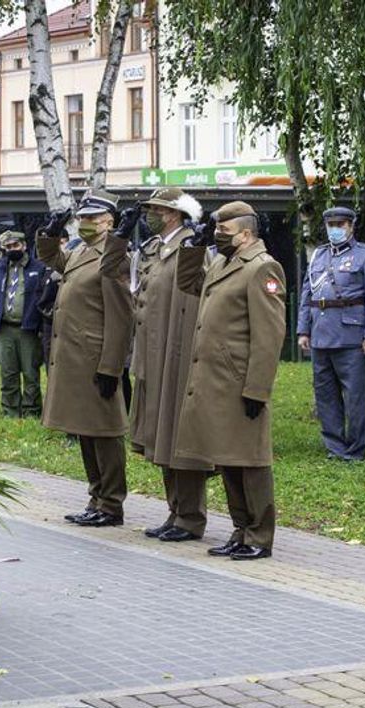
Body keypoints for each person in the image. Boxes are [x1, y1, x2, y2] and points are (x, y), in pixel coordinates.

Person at [175, 202, 286, 561]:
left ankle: (259, 534)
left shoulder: (262, 268)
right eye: (216, 230)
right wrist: (193, 246)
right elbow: (188, 282)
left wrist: (257, 388)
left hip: (240, 381)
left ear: (246, 233)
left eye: (224, 231)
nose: (218, 236)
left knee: (251, 462)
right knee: (228, 459)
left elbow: (269, 336)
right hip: (217, 381)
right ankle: (241, 530)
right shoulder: (222, 263)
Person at [37, 191, 134, 527]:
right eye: (82, 218)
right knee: (85, 430)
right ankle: (96, 497)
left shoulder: (114, 256)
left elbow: (121, 316)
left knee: (105, 432)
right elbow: (54, 259)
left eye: (91, 219)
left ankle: (111, 504)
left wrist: (112, 367)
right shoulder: (82, 251)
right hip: (75, 357)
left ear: (108, 222)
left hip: (96, 357)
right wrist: (50, 234)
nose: (85, 224)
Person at [129, 188, 212, 542]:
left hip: (177, 353)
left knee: (179, 435)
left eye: (156, 210)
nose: (151, 215)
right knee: (159, 434)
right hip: (153, 352)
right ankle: (175, 510)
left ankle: (191, 517)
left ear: (174, 214)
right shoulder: (154, 249)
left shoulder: (193, 248)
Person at [296, 207, 365, 461]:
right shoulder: (318, 256)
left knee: (355, 396)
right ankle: (335, 447)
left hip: (352, 336)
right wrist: (303, 329)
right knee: (325, 395)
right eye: (331, 224)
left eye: (340, 224)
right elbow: (306, 295)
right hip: (321, 334)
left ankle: (355, 450)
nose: (335, 228)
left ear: (351, 225)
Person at [0, 231, 48, 418]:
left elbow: (43, 298)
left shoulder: (38, 267)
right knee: (8, 372)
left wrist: (41, 327)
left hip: (29, 328)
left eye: (15, 246)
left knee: (30, 372)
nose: (12, 249)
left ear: (24, 245)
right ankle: (10, 411)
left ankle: (31, 411)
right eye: (8, 247)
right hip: (5, 328)